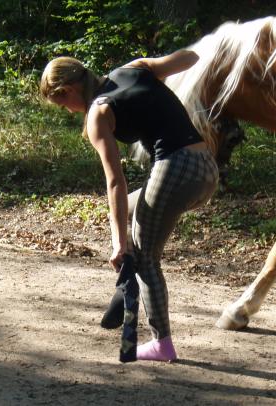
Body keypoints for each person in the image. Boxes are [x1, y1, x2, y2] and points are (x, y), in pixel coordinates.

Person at [40, 50, 218, 362]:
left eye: (62, 104)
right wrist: (154, 74)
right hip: (207, 169)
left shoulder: (98, 113)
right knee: (134, 208)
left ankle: (161, 343)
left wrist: (117, 242)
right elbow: (190, 57)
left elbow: (115, 183)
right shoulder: (133, 68)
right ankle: (124, 291)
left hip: (175, 169)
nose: (68, 111)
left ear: (67, 90)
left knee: (146, 255)